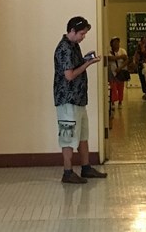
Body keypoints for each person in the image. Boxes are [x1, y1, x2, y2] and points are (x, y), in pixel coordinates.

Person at [54, 16, 108, 184]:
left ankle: (86, 167)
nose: (83, 37)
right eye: (82, 33)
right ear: (72, 31)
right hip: (67, 100)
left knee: (83, 134)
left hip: (78, 99)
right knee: (68, 136)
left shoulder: (74, 46)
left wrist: (85, 60)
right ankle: (67, 171)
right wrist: (88, 64)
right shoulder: (64, 48)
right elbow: (69, 75)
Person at [107, 37, 128, 109]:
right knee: (113, 87)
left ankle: (120, 102)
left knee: (120, 88)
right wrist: (120, 57)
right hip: (112, 72)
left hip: (120, 72)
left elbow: (126, 60)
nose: (116, 44)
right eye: (114, 42)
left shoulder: (122, 50)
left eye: (117, 42)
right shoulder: (109, 51)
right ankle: (112, 102)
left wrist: (120, 67)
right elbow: (109, 58)